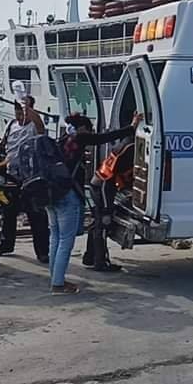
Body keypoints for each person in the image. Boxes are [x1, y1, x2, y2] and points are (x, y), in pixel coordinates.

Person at [62, 112, 141, 272]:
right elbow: (103, 138)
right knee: (103, 222)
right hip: (102, 186)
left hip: (95, 183)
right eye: (90, 129)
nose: (92, 132)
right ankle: (100, 262)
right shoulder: (82, 137)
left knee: (96, 222)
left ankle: (90, 256)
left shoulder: (68, 137)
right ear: (83, 128)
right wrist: (107, 207)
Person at [0, 97, 50, 262]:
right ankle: (6, 244)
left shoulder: (34, 126)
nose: (20, 117)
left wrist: (29, 110)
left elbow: (41, 127)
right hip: (11, 175)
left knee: (36, 215)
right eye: (17, 113)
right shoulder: (11, 125)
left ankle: (42, 251)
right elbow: (3, 144)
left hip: (31, 177)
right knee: (8, 213)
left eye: (23, 113)